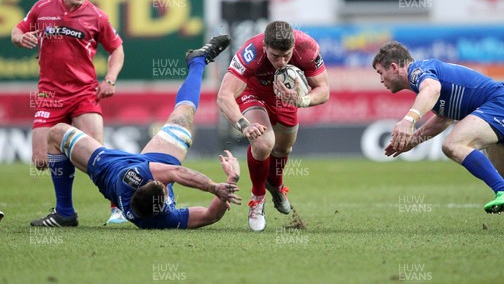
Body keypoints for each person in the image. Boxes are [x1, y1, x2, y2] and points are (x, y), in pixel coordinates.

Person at [30, 35, 242, 229]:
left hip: (105, 167)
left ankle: (64, 212)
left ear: (143, 183)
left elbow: (176, 173)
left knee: (56, 133)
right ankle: (197, 62)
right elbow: (210, 215)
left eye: (157, 181)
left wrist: (214, 187)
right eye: (163, 184)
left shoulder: (133, 177)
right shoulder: (165, 220)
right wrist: (230, 181)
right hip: (153, 160)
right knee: (182, 116)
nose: (165, 181)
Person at [372, 41, 504, 231]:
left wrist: (409, 120)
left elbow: (432, 89)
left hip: (501, 105)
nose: (381, 79)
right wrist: (413, 141)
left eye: (381, 72)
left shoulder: (418, 71)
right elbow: (444, 118)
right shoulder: (426, 78)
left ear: (393, 67)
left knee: (453, 144)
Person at [11, 0, 127, 224]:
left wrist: (110, 79)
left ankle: (118, 206)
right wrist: (20, 38)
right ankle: (65, 212)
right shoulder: (42, 8)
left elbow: (117, 50)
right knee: (40, 160)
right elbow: (17, 30)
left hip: (84, 94)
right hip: (49, 96)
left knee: (96, 155)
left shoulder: (97, 17)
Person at [217, 21, 330, 232]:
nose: (281, 61)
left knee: (283, 149)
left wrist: (302, 100)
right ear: (265, 47)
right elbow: (224, 95)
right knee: (263, 142)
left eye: (286, 55)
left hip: (287, 97)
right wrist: (243, 125)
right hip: (254, 93)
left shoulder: (307, 48)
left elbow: (324, 89)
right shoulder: (250, 52)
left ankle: (276, 187)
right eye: (275, 56)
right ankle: (258, 199)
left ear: (293, 46)